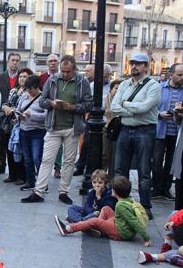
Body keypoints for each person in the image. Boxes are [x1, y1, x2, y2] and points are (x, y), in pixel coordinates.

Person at [21, 55, 92, 204]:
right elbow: (42, 101)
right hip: (53, 127)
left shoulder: (82, 82)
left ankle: (63, 192)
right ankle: (38, 191)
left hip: (72, 127)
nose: (65, 74)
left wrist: (71, 107)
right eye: (63, 71)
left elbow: (88, 105)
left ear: (74, 69)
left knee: (69, 161)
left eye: (68, 71)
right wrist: (52, 103)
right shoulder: (52, 80)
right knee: (46, 160)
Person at [110, 53, 161, 218]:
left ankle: (145, 206)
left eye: (138, 64)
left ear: (146, 66)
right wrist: (132, 110)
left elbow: (144, 108)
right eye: (132, 63)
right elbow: (114, 107)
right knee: (119, 169)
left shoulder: (153, 85)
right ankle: (119, 204)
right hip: (124, 129)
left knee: (144, 171)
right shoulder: (124, 84)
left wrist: (125, 105)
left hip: (145, 131)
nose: (134, 66)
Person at [55, 176, 151, 246]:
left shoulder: (120, 206)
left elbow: (133, 222)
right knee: (106, 209)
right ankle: (97, 228)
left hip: (121, 233)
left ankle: (68, 229)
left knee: (95, 220)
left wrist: (146, 238)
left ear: (114, 191)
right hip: (120, 225)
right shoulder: (128, 200)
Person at [151, 63, 183, 200]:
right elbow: (151, 108)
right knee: (157, 161)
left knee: (171, 162)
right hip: (160, 131)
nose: (182, 77)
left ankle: (166, 189)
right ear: (171, 75)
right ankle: (156, 188)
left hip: (176, 133)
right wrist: (159, 114)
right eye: (180, 74)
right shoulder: (159, 88)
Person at [75, 64, 112, 176]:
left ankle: (101, 172)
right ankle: (81, 167)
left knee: (104, 148)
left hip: (107, 119)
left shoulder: (111, 86)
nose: (103, 78)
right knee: (86, 143)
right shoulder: (92, 85)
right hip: (93, 117)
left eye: (105, 76)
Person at [1, 68, 32, 185]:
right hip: (10, 124)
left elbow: (25, 108)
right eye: (21, 76)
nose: (22, 78)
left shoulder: (29, 92)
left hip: (21, 124)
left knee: (20, 150)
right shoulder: (14, 90)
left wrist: (12, 110)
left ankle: (21, 176)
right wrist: (5, 107)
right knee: (10, 149)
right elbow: (6, 103)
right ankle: (12, 174)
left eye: (25, 76)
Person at [17, 75, 47, 191]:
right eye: (27, 89)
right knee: (27, 158)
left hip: (37, 132)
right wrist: (17, 113)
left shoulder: (43, 98)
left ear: (36, 87)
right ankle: (30, 182)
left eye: (31, 89)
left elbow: (46, 116)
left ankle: (42, 184)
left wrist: (32, 115)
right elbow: (19, 109)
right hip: (24, 130)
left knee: (37, 158)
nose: (29, 91)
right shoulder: (24, 96)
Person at [0, 53, 21, 175]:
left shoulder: (23, 77)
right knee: (1, 142)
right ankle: (1, 165)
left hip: (17, 115)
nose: (15, 63)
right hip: (2, 115)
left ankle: (14, 170)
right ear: (8, 61)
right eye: (13, 60)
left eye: (17, 61)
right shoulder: (0, 78)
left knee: (14, 142)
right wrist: (2, 107)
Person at [39, 54, 62, 179]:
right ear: (47, 63)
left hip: (59, 115)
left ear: (58, 63)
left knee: (59, 144)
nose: (53, 63)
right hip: (44, 113)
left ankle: (58, 167)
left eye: (55, 61)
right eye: (50, 61)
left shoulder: (63, 76)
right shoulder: (42, 78)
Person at [103, 79, 123, 177]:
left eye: (120, 89)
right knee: (105, 155)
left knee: (115, 157)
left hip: (119, 130)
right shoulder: (104, 99)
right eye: (116, 88)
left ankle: (112, 178)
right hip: (106, 129)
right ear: (111, 89)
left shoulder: (124, 101)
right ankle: (102, 177)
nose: (117, 91)